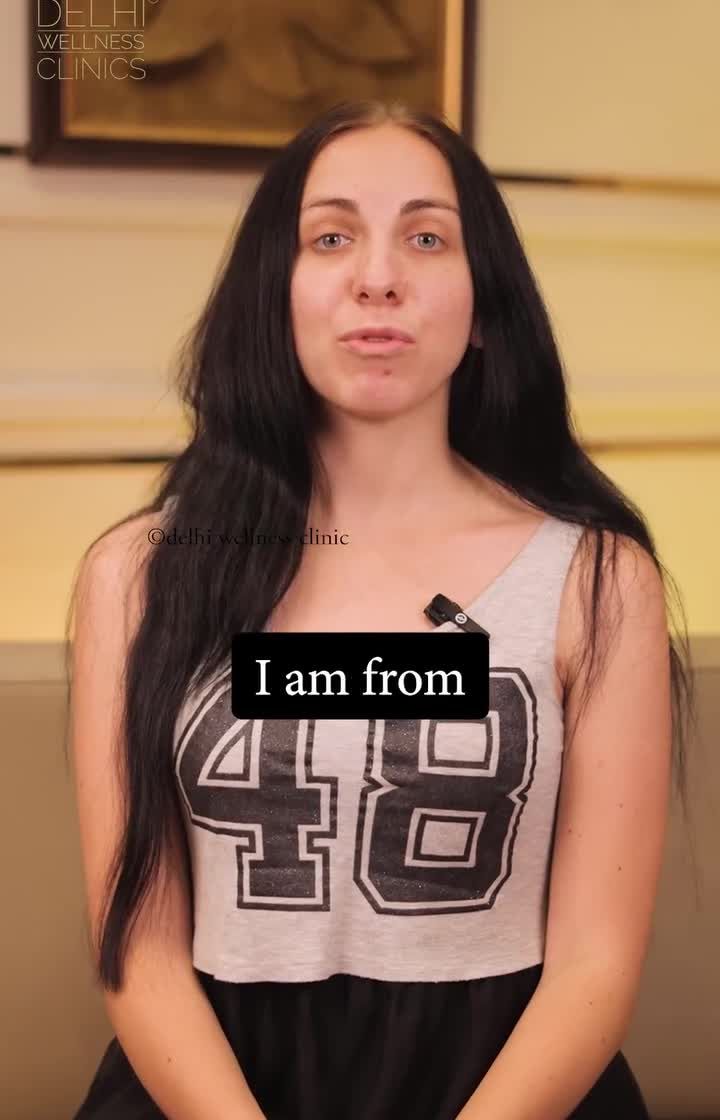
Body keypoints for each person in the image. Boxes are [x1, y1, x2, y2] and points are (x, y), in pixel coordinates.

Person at [67, 99, 695, 1120]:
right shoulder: (136, 575)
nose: (378, 277)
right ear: (272, 294)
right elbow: (138, 949)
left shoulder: (597, 580)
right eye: (330, 237)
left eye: (427, 237)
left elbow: (596, 965)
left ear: (484, 305)